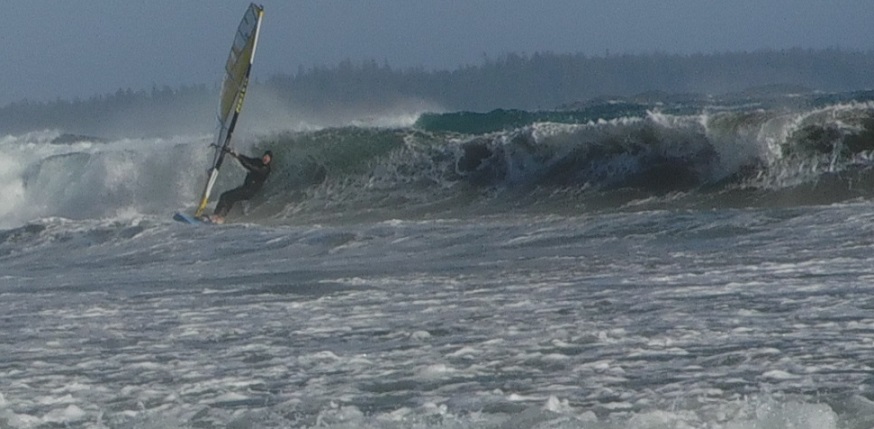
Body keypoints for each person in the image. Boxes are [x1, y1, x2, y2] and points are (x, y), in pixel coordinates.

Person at [209, 149, 273, 224]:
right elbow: (248, 160)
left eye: (268, 158)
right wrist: (237, 154)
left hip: (249, 191)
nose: (265, 158)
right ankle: (220, 217)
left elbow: (250, 167)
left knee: (225, 197)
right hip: (245, 188)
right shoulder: (258, 161)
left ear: (270, 160)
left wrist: (238, 157)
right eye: (265, 156)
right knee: (229, 198)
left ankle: (216, 216)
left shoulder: (265, 169)